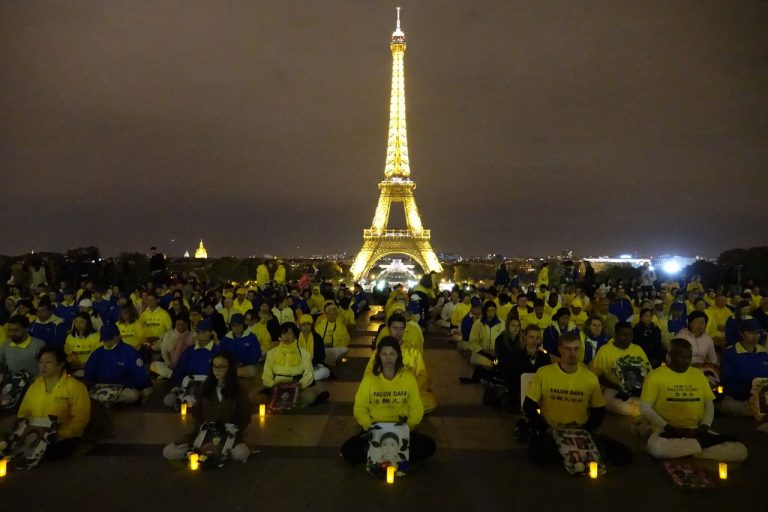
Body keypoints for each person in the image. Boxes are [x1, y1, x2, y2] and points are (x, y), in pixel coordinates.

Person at [524, 333, 632, 465]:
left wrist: (586, 429)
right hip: (554, 431)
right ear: (560, 349)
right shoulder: (544, 373)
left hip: (581, 431)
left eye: (576, 349)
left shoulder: (590, 377)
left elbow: (599, 410)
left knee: (625, 455)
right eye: (568, 349)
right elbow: (528, 406)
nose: (572, 353)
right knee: (539, 455)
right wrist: (546, 428)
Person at [640, 339, 748, 461]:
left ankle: (690, 449)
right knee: (657, 448)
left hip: (697, 430)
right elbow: (645, 407)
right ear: (670, 356)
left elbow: (708, 404)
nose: (686, 361)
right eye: (681, 357)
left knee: (740, 451)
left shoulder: (698, 374)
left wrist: (704, 427)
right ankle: (702, 446)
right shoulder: (655, 376)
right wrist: (669, 428)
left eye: (689, 357)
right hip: (667, 431)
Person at [341, 336, 436, 464]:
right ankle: (391, 458)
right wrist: (369, 427)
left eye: (392, 354)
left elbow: (416, 407)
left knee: (429, 446)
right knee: (348, 450)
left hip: (401, 427)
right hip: (375, 428)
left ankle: (382, 457)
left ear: (398, 355)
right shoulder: (370, 379)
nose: (388, 358)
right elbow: (360, 407)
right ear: (379, 356)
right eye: (384, 354)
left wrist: (408, 427)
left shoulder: (408, 378)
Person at [163, 351, 252, 463]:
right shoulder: (205, 387)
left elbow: (245, 417)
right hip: (204, 433)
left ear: (230, 368)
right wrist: (203, 428)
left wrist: (231, 430)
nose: (217, 370)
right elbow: (196, 413)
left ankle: (221, 453)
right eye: (215, 367)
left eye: (222, 367)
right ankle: (194, 453)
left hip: (228, 434)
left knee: (240, 453)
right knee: (168, 451)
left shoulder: (239, 390)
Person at [16, 346, 91, 459]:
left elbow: (81, 419)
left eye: (48, 362)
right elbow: (23, 413)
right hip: (35, 435)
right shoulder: (34, 386)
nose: (43, 366)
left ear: (60, 365)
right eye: (41, 362)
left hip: (64, 437)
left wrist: (59, 433)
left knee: (47, 453)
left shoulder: (75, 387)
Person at [368, 313, 437, 412]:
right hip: (384, 391)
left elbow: (422, 375)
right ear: (388, 329)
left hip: (405, 392)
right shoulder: (380, 351)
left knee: (429, 401)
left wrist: (409, 389)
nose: (398, 332)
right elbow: (370, 373)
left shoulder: (412, 351)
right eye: (395, 328)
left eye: (401, 329)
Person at [590, 322, 652, 416]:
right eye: (624, 335)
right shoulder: (605, 350)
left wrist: (639, 388)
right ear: (615, 335)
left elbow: (648, 371)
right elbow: (597, 376)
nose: (628, 338)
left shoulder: (637, 349)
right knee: (633, 410)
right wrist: (619, 388)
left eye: (630, 335)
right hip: (613, 389)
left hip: (637, 390)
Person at [261, 322, 327, 406]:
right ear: (280, 336)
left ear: (295, 335)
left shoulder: (304, 353)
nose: (286, 336)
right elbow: (266, 374)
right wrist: (274, 385)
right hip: (276, 386)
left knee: (308, 397)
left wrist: (298, 386)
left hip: (297, 386)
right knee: (258, 398)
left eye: (290, 333)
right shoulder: (272, 353)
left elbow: (309, 374)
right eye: (284, 333)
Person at [83, 324, 149, 404]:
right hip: (101, 388)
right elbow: (88, 372)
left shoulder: (129, 351)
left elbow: (139, 375)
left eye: (109, 339)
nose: (107, 342)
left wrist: (124, 385)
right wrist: (94, 385)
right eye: (104, 339)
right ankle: (107, 401)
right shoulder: (98, 353)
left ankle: (106, 402)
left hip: (122, 388)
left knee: (133, 395)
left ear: (118, 336)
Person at [163, 319, 221, 408]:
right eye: (198, 332)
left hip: (210, 388)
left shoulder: (218, 351)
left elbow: (223, 374)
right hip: (191, 388)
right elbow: (179, 371)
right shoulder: (189, 351)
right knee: (168, 400)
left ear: (211, 333)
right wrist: (177, 386)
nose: (200, 335)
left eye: (204, 332)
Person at [719, 319, 768, 416]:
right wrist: (751, 391)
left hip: (763, 398)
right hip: (739, 399)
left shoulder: (764, 354)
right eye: (751, 333)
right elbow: (727, 382)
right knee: (752, 410)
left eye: (758, 333)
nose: (755, 337)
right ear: (741, 333)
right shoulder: (730, 354)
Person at [219, 313, 261, 377]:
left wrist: (243, 362)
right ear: (231, 326)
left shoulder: (251, 337)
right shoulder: (226, 338)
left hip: (248, 366)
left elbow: (257, 354)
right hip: (230, 365)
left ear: (243, 325)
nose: (236, 328)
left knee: (238, 372)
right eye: (234, 325)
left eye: (239, 325)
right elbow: (220, 353)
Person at [468, 301, 504, 368]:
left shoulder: (501, 323)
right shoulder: (478, 323)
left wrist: (496, 352)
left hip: (496, 354)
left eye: (493, 310)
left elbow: (503, 341)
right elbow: (473, 342)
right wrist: (484, 351)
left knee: (498, 362)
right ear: (485, 311)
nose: (491, 312)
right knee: (489, 363)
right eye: (489, 310)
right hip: (481, 353)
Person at [314, 301, 350, 365]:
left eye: (334, 314)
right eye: (330, 314)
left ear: (336, 314)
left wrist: (334, 348)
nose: (332, 315)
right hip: (323, 349)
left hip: (335, 349)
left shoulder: (341, 325)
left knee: (345, 349)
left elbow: (346, 340)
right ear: (326, 314)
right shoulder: (320, 325)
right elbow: (316, 339)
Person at [297, 314, 330, 381]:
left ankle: (305, 378)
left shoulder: (317, 338)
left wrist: (314, 365)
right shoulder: (295, 338)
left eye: (308, 325)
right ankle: (306, 378)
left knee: (326, 371)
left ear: (311, 326)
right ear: (300, 326)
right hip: (298, 366)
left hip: (314, 366)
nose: (306, 327)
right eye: (303, 325)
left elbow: (321, 355)